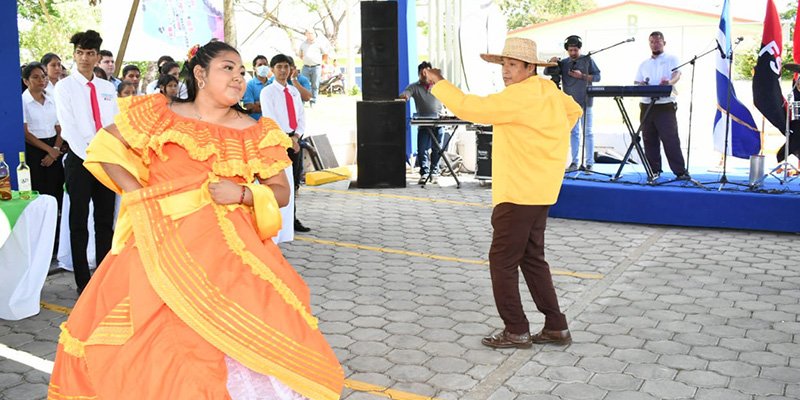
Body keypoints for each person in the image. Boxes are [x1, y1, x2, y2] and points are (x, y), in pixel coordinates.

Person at [48, 40, 344, 400]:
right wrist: (136, 194)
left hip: (227, 250)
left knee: (241, 332)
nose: (238, 77)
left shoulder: (256, 130)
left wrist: (242, 194)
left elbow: (281, 190)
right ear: (200, 74)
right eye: (228, 68)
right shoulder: (159, 113)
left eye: (242, 71)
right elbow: (105, 147)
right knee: (151, 341)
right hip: (157, 243)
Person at [426, 37, 581, 349]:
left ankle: (516, 329)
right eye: (503, 65)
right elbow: (574, 110)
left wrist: (441, 83)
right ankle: (555, 326)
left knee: (502, 260)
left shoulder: (519, 97)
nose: (506, 72)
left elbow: (474, 108)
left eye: (512, 65)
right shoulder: (548, 91)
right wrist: (545, 140)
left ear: (529, 68)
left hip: (519, 191)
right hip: (541, 188)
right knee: (532, 258)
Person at [54, 30, 119, 295]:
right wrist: (94, 155)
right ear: (74, 55)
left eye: (90, 53)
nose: (84, 58)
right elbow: (68, 128)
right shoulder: (64, 87)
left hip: (106, 161)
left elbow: (114, 124)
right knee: (78, 221)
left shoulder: (106, 88)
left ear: (97, 57)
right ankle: (83, 281)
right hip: (80, 161)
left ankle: (104, 276)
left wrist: (110, 155)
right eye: (79, 52)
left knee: (104, 221)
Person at [261, 54, 311, 233]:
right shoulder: (268, 92)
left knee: (295, 180)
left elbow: (301, 116)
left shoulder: (294, 91)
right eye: (279, 67)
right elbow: (270, 119)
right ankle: (277, 220)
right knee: (280, 182)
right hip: (278, 141)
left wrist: (296, 137)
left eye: (286, 67)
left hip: (295, 140)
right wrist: (287, 140)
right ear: (272, 70)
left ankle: (292, 219)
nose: (283, 71)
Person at [634, 31, 689, 180]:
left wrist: (669, 83)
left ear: (664, 43)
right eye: (652, 42)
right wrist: (642, 84)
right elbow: (637, 82)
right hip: (646, 105)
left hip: (665, 105)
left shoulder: (672, 58)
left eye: (658, 41)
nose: (655, 44)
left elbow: (677, 74)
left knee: (670, 139)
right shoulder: (644, 63)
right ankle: (654, 170)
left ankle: (680, 171)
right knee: (649, 139)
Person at [545, 35, 601, 172]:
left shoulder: (587, 60)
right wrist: (550, 61)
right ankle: (574, 163)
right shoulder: (563, 63)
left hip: (586, 102)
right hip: (570, 104)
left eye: (575, 50)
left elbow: (598, 77)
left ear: (580, 48)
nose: (573, 53)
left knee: (587, 132)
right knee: (573, 133)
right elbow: (547, 72)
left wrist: (581, 76)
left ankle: (589, 163)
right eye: (570, 50)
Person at [22, 62, 64, 208]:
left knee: (55, 188)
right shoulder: (23, 101)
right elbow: (25, 133)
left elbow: (60, 128)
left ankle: (56, 226)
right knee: (38, 190)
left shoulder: (52, 99)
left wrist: (55, 150)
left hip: (54, 147)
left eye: (43, 76)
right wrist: (49, 150)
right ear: (26, 81)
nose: (42, 80)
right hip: (35, 149)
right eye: (36, 77)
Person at [400, 61, 444, 185]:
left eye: (428, 72)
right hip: (424, 122)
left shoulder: (439, 85)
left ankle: (434, 172)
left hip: (438, 121)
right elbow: (406, 94)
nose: (425, 75)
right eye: (423, 72)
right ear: (419, 73)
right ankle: (424, 173)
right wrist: (403, 97)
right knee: (422, 149)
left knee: (438, 148)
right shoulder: (414, 86)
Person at [299, 29, 328, 106]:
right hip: (305, 67)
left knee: (315, 85)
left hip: (316, 67)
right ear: (306, 34)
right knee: (304, 84)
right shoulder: (303, 44)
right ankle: (303, 102)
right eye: (308, 33)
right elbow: (301, 55)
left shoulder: (319, 44)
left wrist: (322, 63)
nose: (310, 35)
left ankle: (313, 102)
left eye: (312, 33)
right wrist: (307, 60)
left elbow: (325, 54)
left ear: (314, 34)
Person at [242, 54, 271, 120]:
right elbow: (250, 108)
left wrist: (259, 103)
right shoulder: (249, 85)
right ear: (254, 68)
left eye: (265, 64)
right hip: (256, 122)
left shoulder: (271, 84)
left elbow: (278, 105)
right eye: (260, 65)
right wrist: (268, 104)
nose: (263, 67)